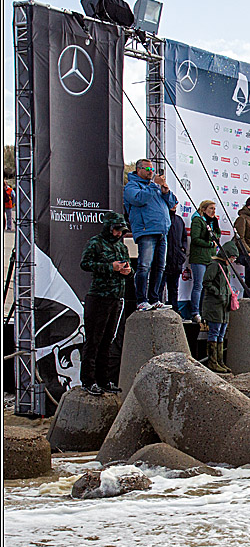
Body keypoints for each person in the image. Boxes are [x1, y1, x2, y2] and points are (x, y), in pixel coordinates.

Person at [79, 212, 132, 395]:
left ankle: (103, 380)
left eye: (121, 231)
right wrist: (110, 267)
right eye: (117, 230)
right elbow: (85, 264)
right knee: (94, 340)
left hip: (116, 297)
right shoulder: (96, 243)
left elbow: (127, 268)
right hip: (99, 297)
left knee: (108, 340)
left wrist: (126, 270)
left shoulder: (121, 247)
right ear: (109, 228)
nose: (119, 234)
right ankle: (88, 380)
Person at [124, 158, 177, 311]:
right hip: (147, 230)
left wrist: (166, 191)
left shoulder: (155, 187)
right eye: (147, 169)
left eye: (152, 169)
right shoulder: (132, 186)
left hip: (162, 231)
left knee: (160, 267)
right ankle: (141, 300)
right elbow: (138, 199)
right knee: (144, 266)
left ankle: (154, 298)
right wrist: (155, 185)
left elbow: (173, 203)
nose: (150, 172)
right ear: (138, 169)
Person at [201, 240, 241, 374]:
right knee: (214, 332)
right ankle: (213, 362)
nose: (233, 260)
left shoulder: (225, 267)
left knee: (221, 334)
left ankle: (220, 361)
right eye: (232, 257)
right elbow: (206, 282)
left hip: (224, 306)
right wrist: (218, 293)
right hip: (215, 305)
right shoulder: (214, 265)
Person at [186, 200, 220, 323]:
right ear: (204, 209)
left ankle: (204, 311)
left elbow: (217, 235)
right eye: (211, 208)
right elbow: (195, 239)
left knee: (207, 287)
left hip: (210, 258)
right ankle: (195, 312)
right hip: (199, 258)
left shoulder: (212, 222)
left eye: (214, 209)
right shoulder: (198, 220)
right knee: (198, 285)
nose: (213, 211)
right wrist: (210, 243)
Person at [163, 203, 188, 315]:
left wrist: (182, 252)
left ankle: (175, 309)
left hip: (176, 260)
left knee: (174, 288)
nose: (174, 206)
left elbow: (184, 238)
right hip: (164, 259)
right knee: (160, 286)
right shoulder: (163, 218)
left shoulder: (179, 220)